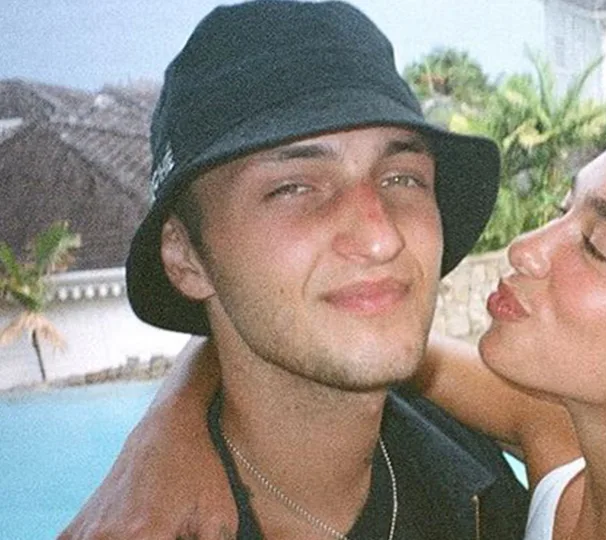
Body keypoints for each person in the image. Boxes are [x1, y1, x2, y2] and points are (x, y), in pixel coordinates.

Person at [65, 115, 606, 539]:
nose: (526, 247)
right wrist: (168, 430)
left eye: (597, 245)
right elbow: (333, 338)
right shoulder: (562, 446)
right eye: (566, 207)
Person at [59, 1, 531, 538]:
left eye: (402, 178)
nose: (381, 238)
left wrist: (174, 410)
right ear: (186, 257)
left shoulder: (473, 474)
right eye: (293, 188)